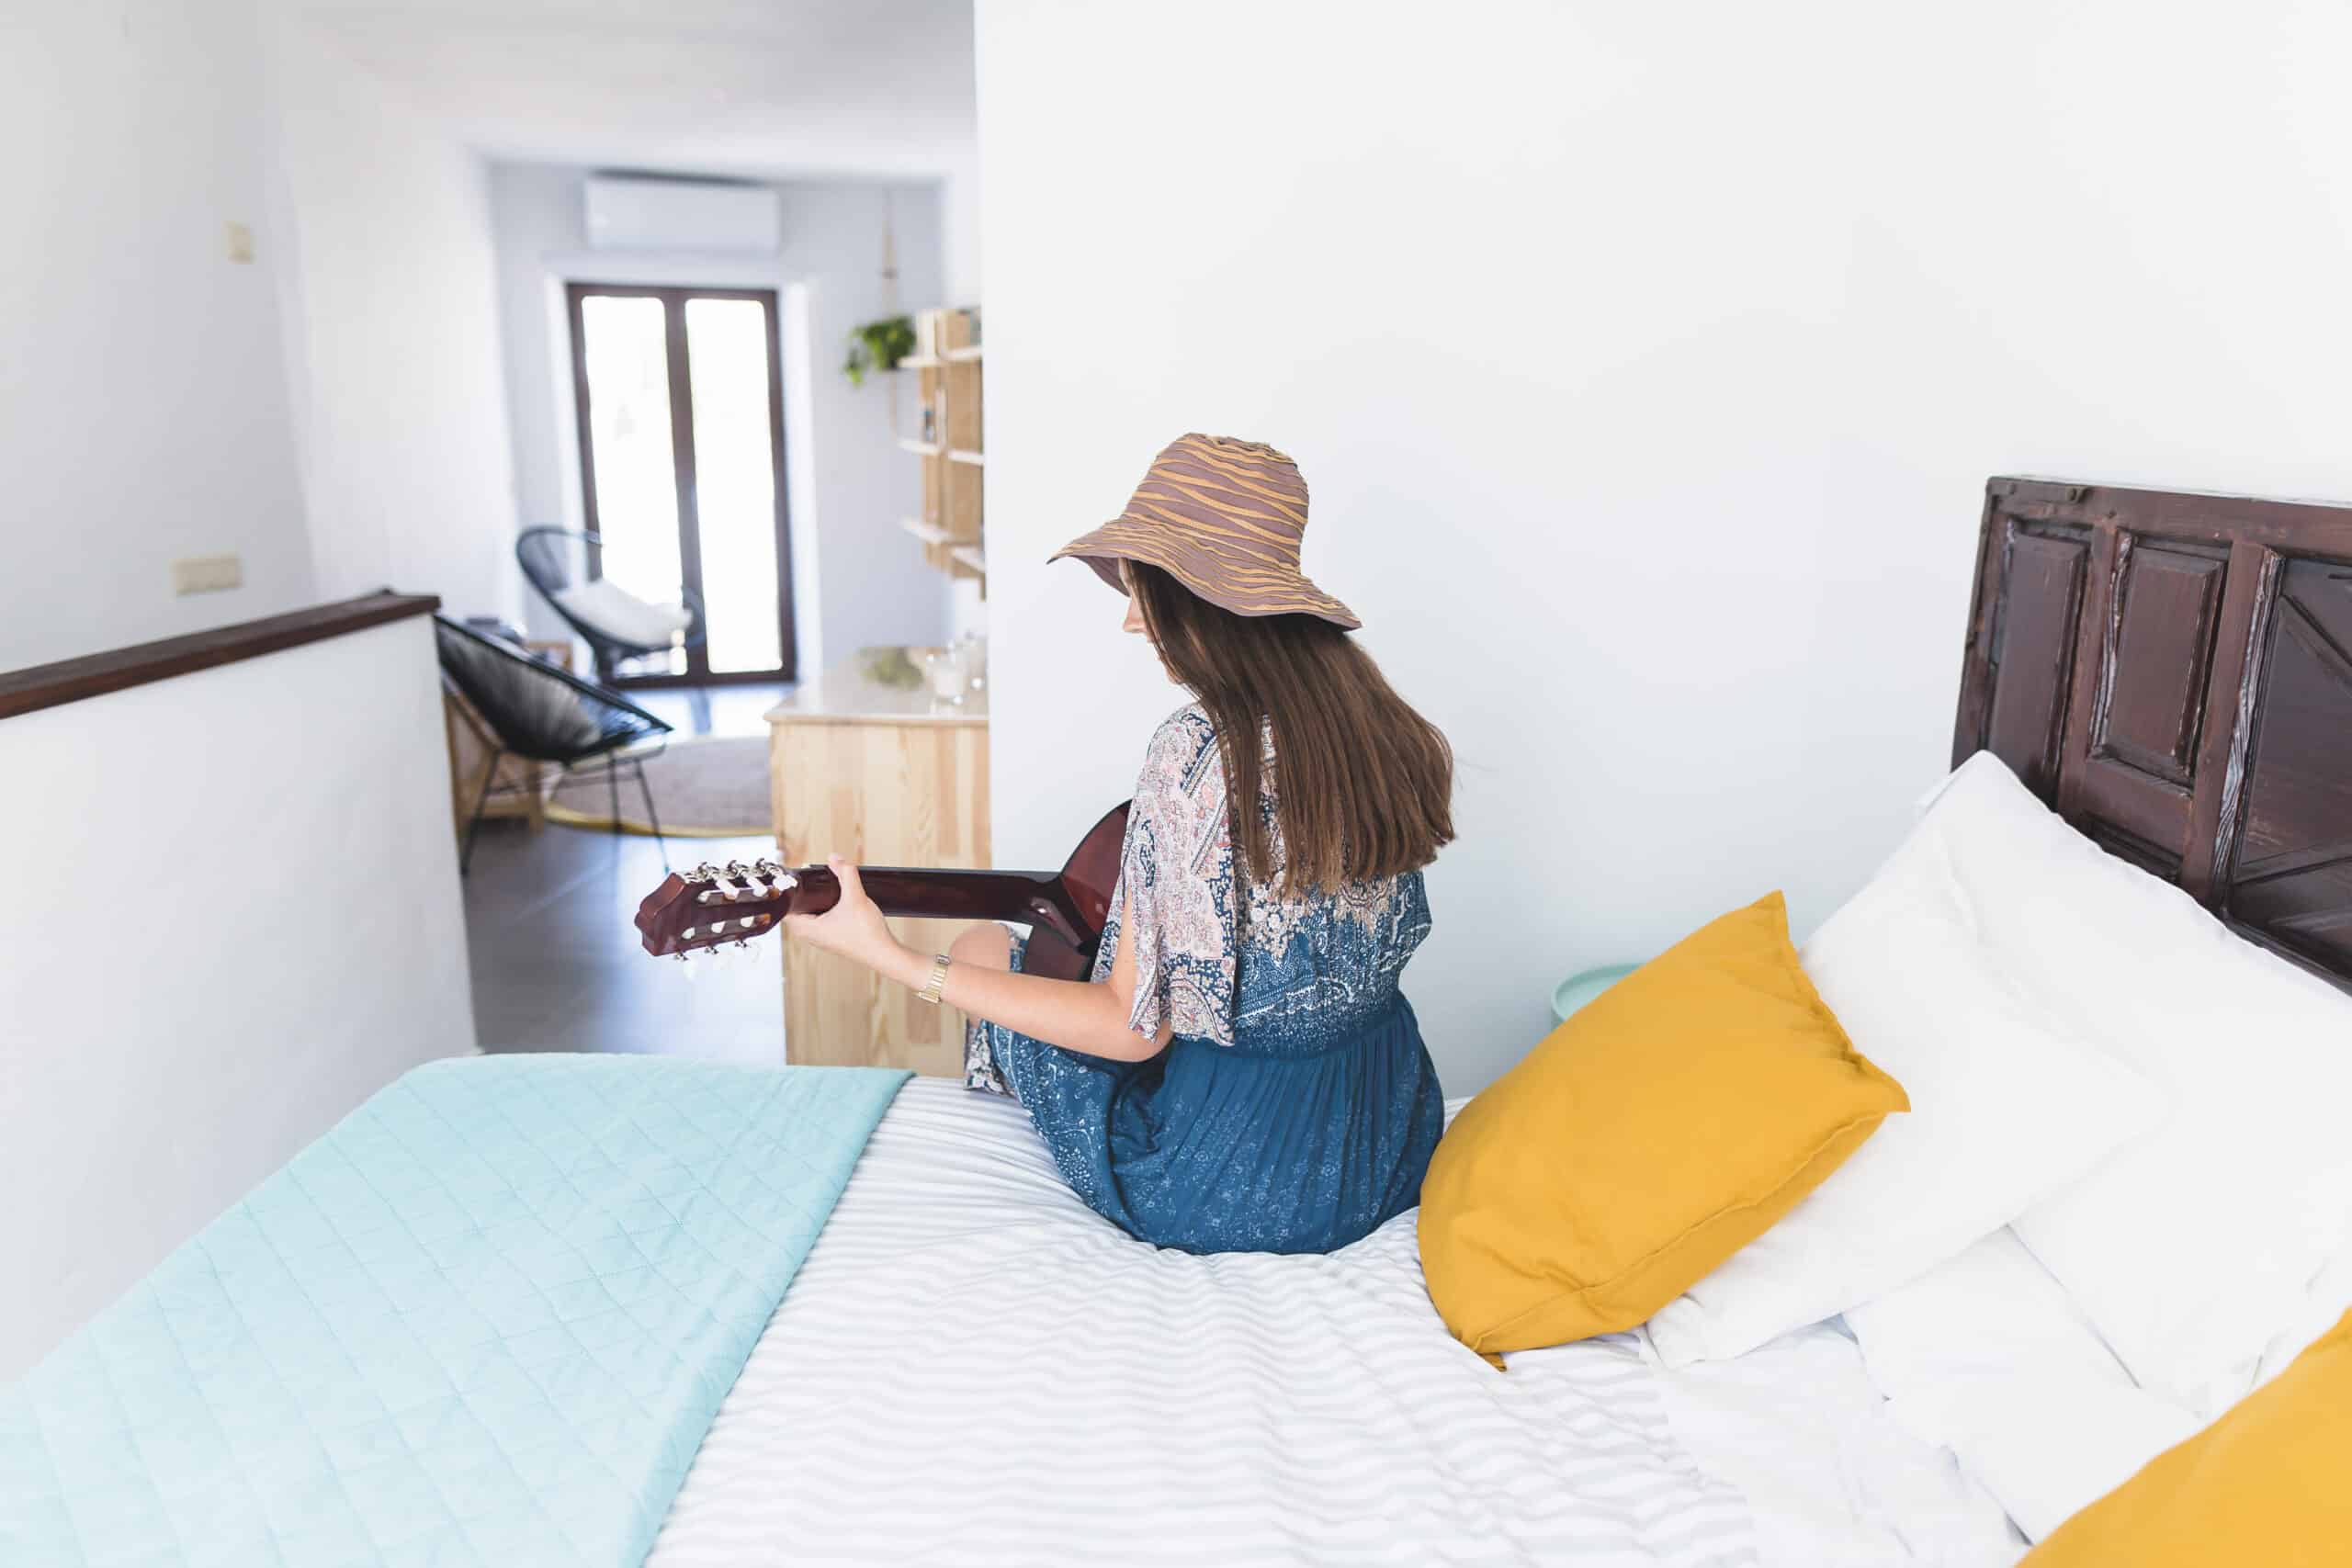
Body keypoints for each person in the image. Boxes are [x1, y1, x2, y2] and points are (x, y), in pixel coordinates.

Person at [782, 433, 1452, 1254]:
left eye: (1143, 589)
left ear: (1198, 594)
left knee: (983, 945)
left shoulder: (1197, 752)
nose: (1131, 618)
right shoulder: (1385, 724)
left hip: (1230, 1179)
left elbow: (1132, 1031)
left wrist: (893, 959)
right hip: (1386, 1138)